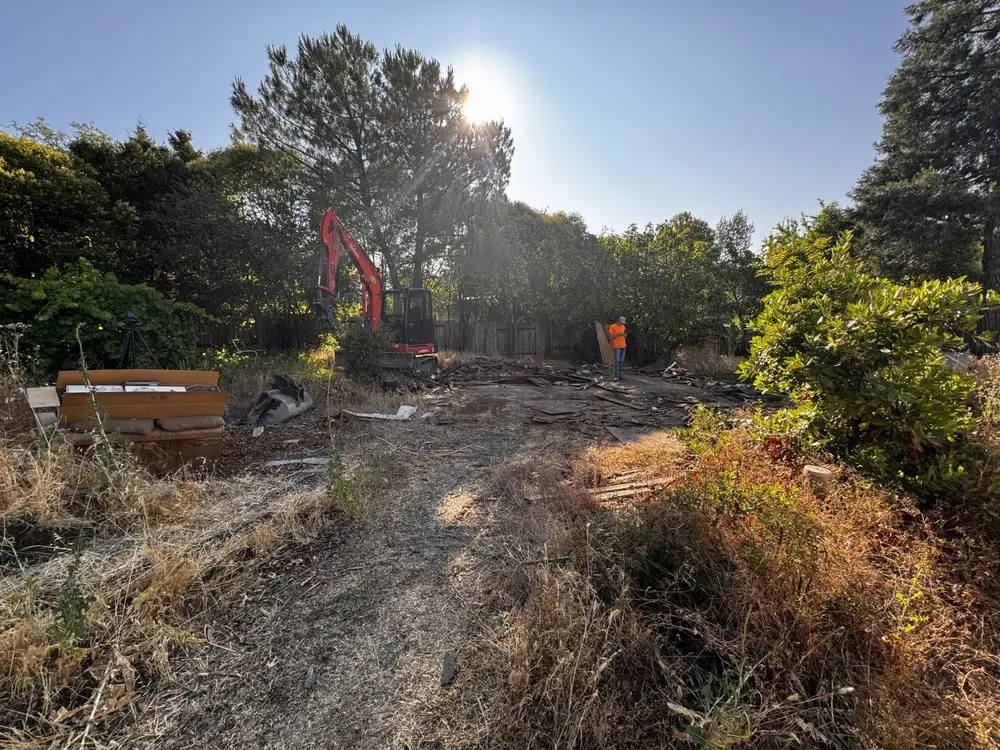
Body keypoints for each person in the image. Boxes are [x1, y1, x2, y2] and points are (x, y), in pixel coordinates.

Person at [608, 316, 627, 380]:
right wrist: (618, 334)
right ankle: (616, 376)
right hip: (616, 346)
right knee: (617, 361)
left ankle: (620, 375)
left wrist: (624, 335)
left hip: (623, 345)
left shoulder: (623, 326)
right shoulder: (612, 326)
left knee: (621, 361)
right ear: (618, 321)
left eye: (623, 323)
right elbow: (610, 337)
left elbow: (625, 335)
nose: (622, 324)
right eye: (621, 322)